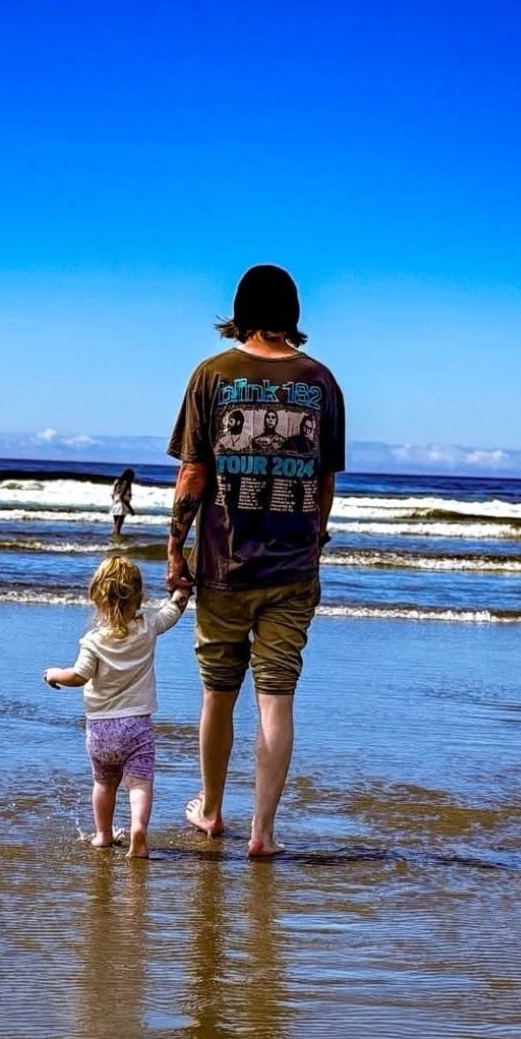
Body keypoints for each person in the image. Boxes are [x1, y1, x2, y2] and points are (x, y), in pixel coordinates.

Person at [165, 264, 345, 858]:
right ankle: (263, 832)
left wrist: (174, 551)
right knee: (277, 696)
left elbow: (193, 474)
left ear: (239, 311)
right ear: (292, 314)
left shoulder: (211, 375)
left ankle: (212, 811)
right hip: (293, 568)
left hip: (224, 561)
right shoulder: (321, 382)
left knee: (218, 689)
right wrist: (312, 542)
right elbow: (324, 481)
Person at [44, 555, 189, 859]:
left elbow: (79, 675)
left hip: (100, 730)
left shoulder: (93, 640)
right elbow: (172, 612)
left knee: (104, 782)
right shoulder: (148, 625)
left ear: (97, 598)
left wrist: (54, 674)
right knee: (139, 783)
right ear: (139, 596)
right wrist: (181, 591)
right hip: (137, 726)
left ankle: (102, 835)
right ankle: (138, 830)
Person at [110, 467, 136, 537]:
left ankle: (113, 538)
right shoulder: (127, 484)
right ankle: (116, 539)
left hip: (114, 505)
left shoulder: (116, 482)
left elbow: (112, 495)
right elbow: (122, 497)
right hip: (122, 506)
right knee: (118, 526)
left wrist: (116, 500)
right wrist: (130, 509)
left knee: (115, 525)